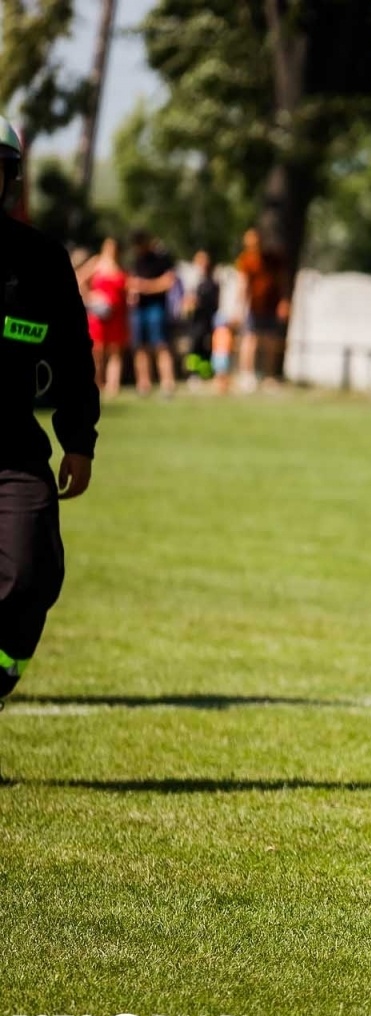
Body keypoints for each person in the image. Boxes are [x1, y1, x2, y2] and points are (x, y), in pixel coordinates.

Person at [0, 113, 99, 707]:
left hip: (12, 447)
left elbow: (72, 352)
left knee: (32, 572)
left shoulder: (38, 260)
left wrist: (79, 438)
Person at [234, 227, 288, 391]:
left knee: (270, 342)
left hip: (270, 306)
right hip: (253, 307)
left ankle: (268, 376)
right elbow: (243, 285)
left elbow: (282, 282)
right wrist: (239, 308)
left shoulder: (273, 259)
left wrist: (284, 302)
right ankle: (246, 375)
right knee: (250, 340)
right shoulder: (245, 260)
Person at [127, 230, 177, 398]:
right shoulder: (135, 260)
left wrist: (145, 287)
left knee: (161, 345)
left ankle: (167, 383)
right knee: (140, 347)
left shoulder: (161, 259)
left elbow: (168, 282)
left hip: (156, 307)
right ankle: (143, 384)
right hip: (138, 308)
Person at [78, 237, 128, 395]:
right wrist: (90, 296)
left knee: (115, 350)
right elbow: (79, 279)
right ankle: (96, 382)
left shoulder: (120, 267)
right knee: (97, 350)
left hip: (116, 315)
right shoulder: (97, 263)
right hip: (98, 314)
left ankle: (113, 385)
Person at [181, 250, 222, 383]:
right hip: (195, 321)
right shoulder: (193, 281)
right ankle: (193, 373)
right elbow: (186, 303)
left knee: (207, 348)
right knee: (194, 347)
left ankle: (206, 373)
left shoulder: (213, 280)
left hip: (208, 320)